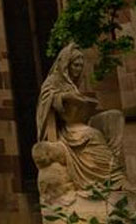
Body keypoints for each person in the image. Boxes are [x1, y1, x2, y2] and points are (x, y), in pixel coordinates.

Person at [32, 43, 125, 201]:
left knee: (114, 118)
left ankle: (113, 171)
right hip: (67, 130)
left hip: (81, 122)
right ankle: (113, 177)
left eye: (81, 66)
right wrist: (65, 97)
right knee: (92, 135)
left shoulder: (73, 84)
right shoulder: (53, 81)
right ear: (66, 65)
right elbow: (46, 102)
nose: (78, 69)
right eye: (75, 65)